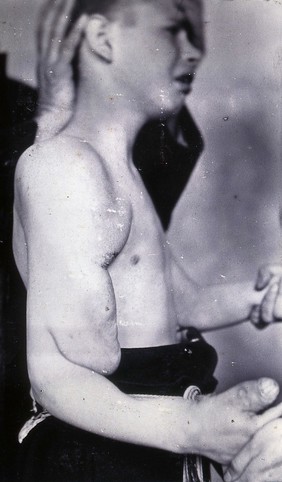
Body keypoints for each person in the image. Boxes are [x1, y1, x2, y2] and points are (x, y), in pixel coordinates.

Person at [12, 0, 282, 481]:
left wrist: (264, 295)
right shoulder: (66, 168)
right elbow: (53, 377)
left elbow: (183, 302)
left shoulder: (118, 170)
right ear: (102, 38)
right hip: (98, 459)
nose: (194, 51)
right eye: (172, 30)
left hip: (151, 444)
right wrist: (189, 426)